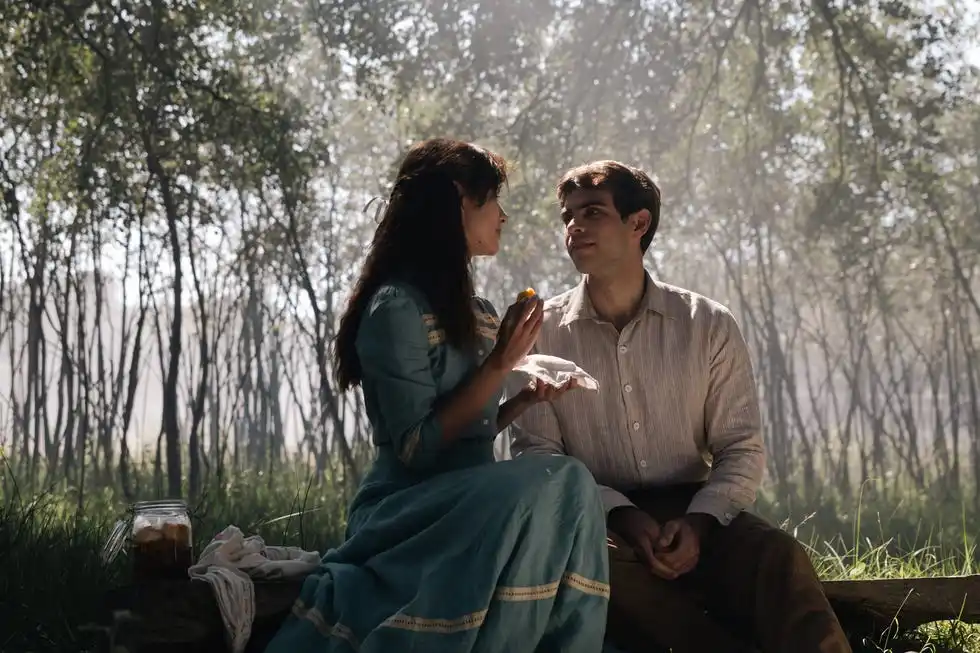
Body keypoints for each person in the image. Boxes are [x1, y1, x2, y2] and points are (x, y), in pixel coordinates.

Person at [263, 139, 610, 653]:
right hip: (404, 508)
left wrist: (520, 401)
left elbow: (468, 429)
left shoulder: (480, 310)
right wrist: (499, 364)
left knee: (568, 485)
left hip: (465, 497)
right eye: (493, 199)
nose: (504, 216)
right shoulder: (394, 308)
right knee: (561, 477)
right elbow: (416, 447)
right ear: (457, 201)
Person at [508, 160, 853, 653]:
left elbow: (740, 448)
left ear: (638, 223)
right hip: (596, 521)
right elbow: (536, 455)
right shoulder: (540, 330)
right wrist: (623, 515)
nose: (573, 228)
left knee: (778, 555)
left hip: (698, 512)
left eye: (592, 213)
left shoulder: (707, 324)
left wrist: (699, 524)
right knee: (596, 567)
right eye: (567, 216)